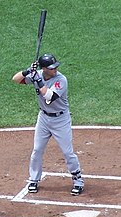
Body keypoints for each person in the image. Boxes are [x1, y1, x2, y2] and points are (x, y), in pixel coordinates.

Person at [12, 54, 84, 196]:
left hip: (61, 120)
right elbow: (15, 79)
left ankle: (78, 181)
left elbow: (49, 96)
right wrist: (27, 72)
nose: (55, 69)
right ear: (44, 69)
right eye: (51, 68)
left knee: (67, 152)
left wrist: (38, 80)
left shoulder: (61, 80)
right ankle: (33, 179)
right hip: (44, 118)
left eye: (55, 66)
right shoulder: (37, 74)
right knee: (37, 150)